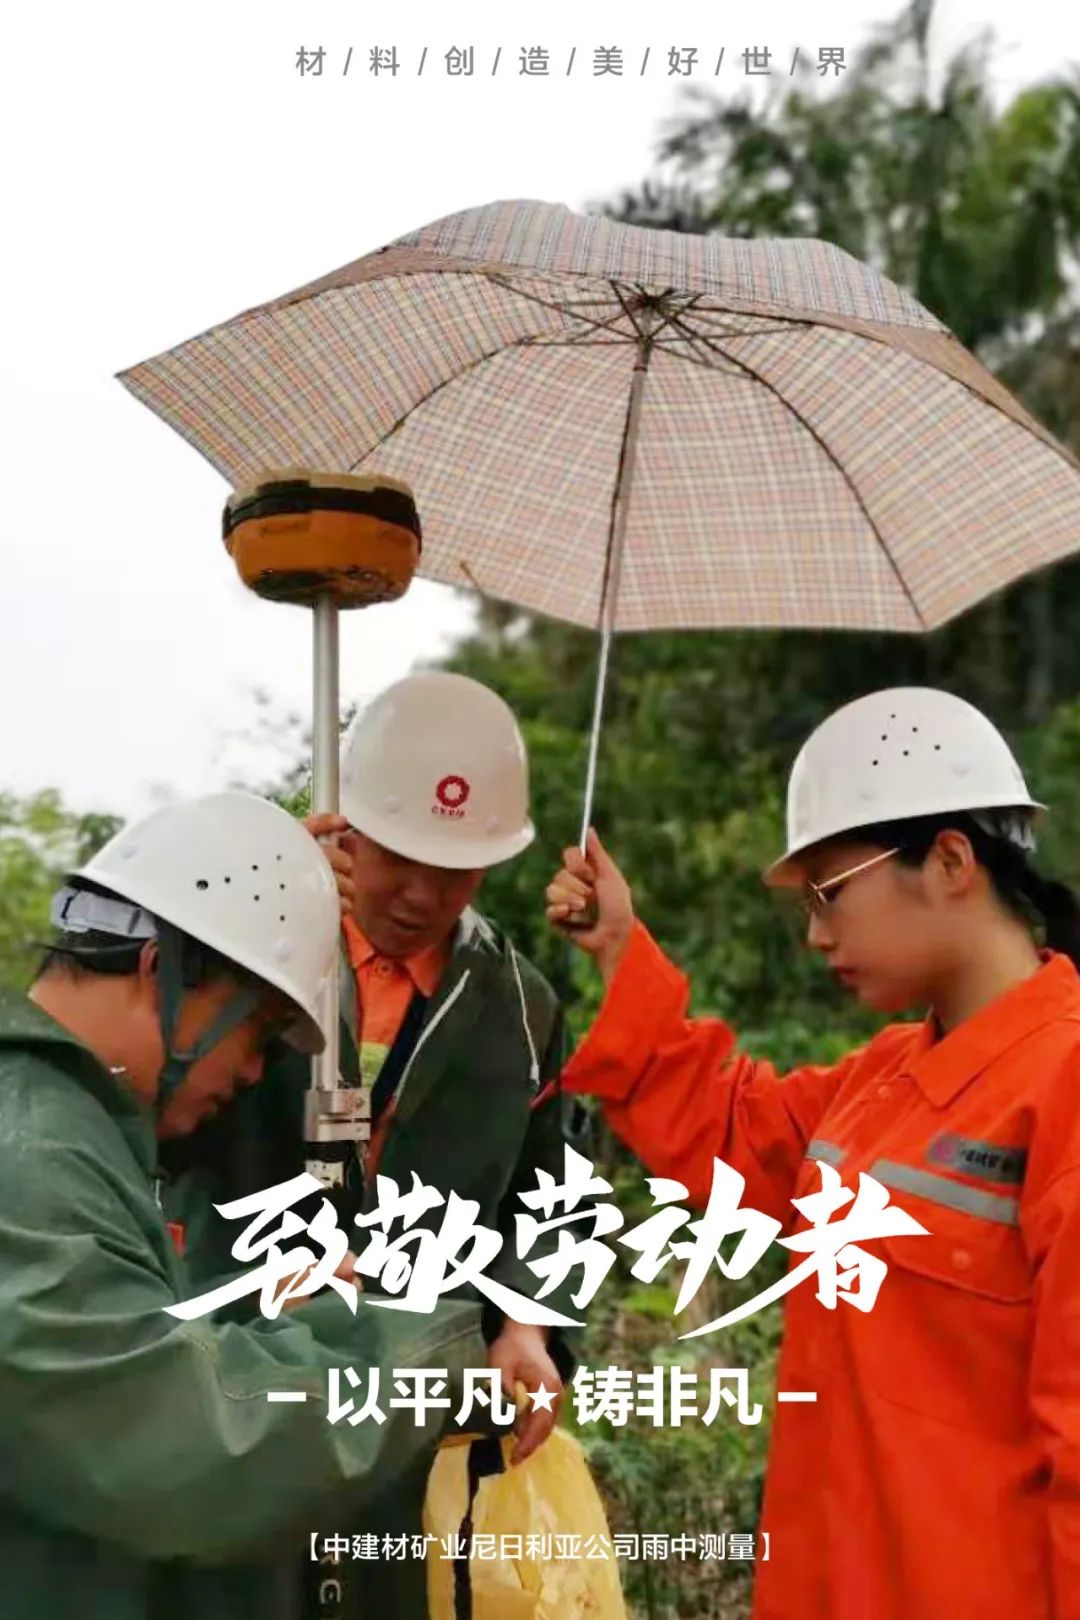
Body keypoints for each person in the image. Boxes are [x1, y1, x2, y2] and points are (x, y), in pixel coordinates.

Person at [545, 687, 1080, 1620]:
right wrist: (620, 949)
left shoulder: (1061, 1085)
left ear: (950, 860)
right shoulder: (883, 1080)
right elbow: (730, 1130)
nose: (816, 932)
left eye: (830, 891)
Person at [0, 790, 491, 1620]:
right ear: (161, 973)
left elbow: (105, 1355)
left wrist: (260, 1323)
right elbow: (179, 1452)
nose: (257, 1071)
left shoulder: (74, 1135)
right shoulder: (30, 1153)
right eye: (259, 1031)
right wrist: (426, 1344)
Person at [163, 673, 591, 1619]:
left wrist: (527, 1324)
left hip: (403, 1410)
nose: (421, 895)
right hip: (233, 1385)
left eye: (458, 869)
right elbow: (149, 1113)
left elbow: (553, 1188)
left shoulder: (519, 1008)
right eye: (400, 856)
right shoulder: (254, 950)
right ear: (347, 825)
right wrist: (250, 909)